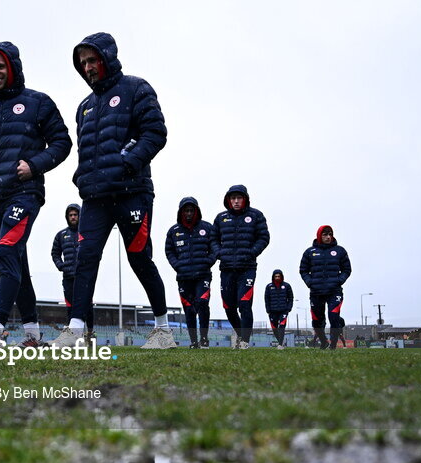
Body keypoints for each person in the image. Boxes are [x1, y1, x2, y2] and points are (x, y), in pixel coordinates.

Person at [52, 32, 173, 349]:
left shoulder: (136, 88)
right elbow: (86, 152)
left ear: (107, 57)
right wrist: (81, 178)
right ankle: (76, 329)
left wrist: (130, 162)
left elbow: (156, 132)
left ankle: (163, 331)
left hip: (132, 192)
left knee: (140, 260)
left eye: (92, 60)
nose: (88, 67)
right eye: (83, 63)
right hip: (95, 198)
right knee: (84, 260)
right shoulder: (84, 107)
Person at [0, 42, 72, 349]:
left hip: (24, 193)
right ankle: (32, 335)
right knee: (17, 263)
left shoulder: (37, 103)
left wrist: (35, 165)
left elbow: (62, 143)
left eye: (0, 66)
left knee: (8, 250)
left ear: (12, 67)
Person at [213, 184, 270, 350]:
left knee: (244, 304)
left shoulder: (256, 216)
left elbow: (264, 237)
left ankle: (245, 341)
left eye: (239, 198)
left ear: (245, 199)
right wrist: (219, 253)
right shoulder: (221, 218)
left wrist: (252, 252)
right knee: (228, 306)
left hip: (247, 268)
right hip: (227, 268)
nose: (236, 201)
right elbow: (213, 239)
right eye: (233, 198)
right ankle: (239, 333)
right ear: (228, 200)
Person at [165, 196, 216, 348]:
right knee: (189, 309)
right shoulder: (173, 231)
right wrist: (177, 265)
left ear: (196, 211)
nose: (188, 213)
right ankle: (194, 342)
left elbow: (215, 246)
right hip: (183, 276)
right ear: (181, 212)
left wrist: (209, 261)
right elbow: (169, 251)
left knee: (202, 303)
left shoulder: (207, 228)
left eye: (191, 210)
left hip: (203, 275)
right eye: (186, 210)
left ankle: (204, 338)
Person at [299, 225, 352, 350]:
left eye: (330, 234)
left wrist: (339, 281)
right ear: (319, 236)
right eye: (325, 234)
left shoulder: (340, 251)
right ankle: (324, 342)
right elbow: (303, 270)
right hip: (316, 291)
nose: (328, 237)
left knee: (334, 317)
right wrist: (310, 282)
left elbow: (347, 269)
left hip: (334, 291)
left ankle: (333, 346)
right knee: (317, 320)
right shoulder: (309, 252)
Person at [51, 203, 95, 339]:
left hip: (83, 277)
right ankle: (73, 335)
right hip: (68, 277)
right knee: (70, 306)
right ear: (67, 217)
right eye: (70, 215)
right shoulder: (61, 235)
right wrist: (61, 266)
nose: (73, 217)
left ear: (80, 216)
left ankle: (90, 333)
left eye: (75, 214)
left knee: (87, 305)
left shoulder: (86, 233)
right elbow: (55, 253)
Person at [263, 269, 293, 349]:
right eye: (275, 276)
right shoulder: (269, 286)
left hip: (283, 310)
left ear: (281, 276)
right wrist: (268, 309)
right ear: (273, 277)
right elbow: (266, 299)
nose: (277, 278)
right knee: (274, 328)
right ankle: (280, 342)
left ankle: (280, 344)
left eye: (278, 276)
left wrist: (289, 308)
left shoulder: (287, 286)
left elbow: (290, 298)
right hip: (272, 311)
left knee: (282, 326)